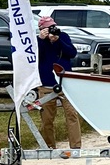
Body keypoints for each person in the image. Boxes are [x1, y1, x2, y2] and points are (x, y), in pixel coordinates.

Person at [36, 16, 83, 150]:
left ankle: (76, 146)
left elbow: (72, 53)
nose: (52, 30)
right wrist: (42, 39)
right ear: (41, 29)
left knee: (72, 115)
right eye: (48, 28)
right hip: (46, 83)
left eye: (53, 26)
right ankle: (49, 146)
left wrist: (58, 41)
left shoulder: (63, 36)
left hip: (66, 82)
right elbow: (35, 57)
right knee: (47, 119)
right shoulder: (38, 40)